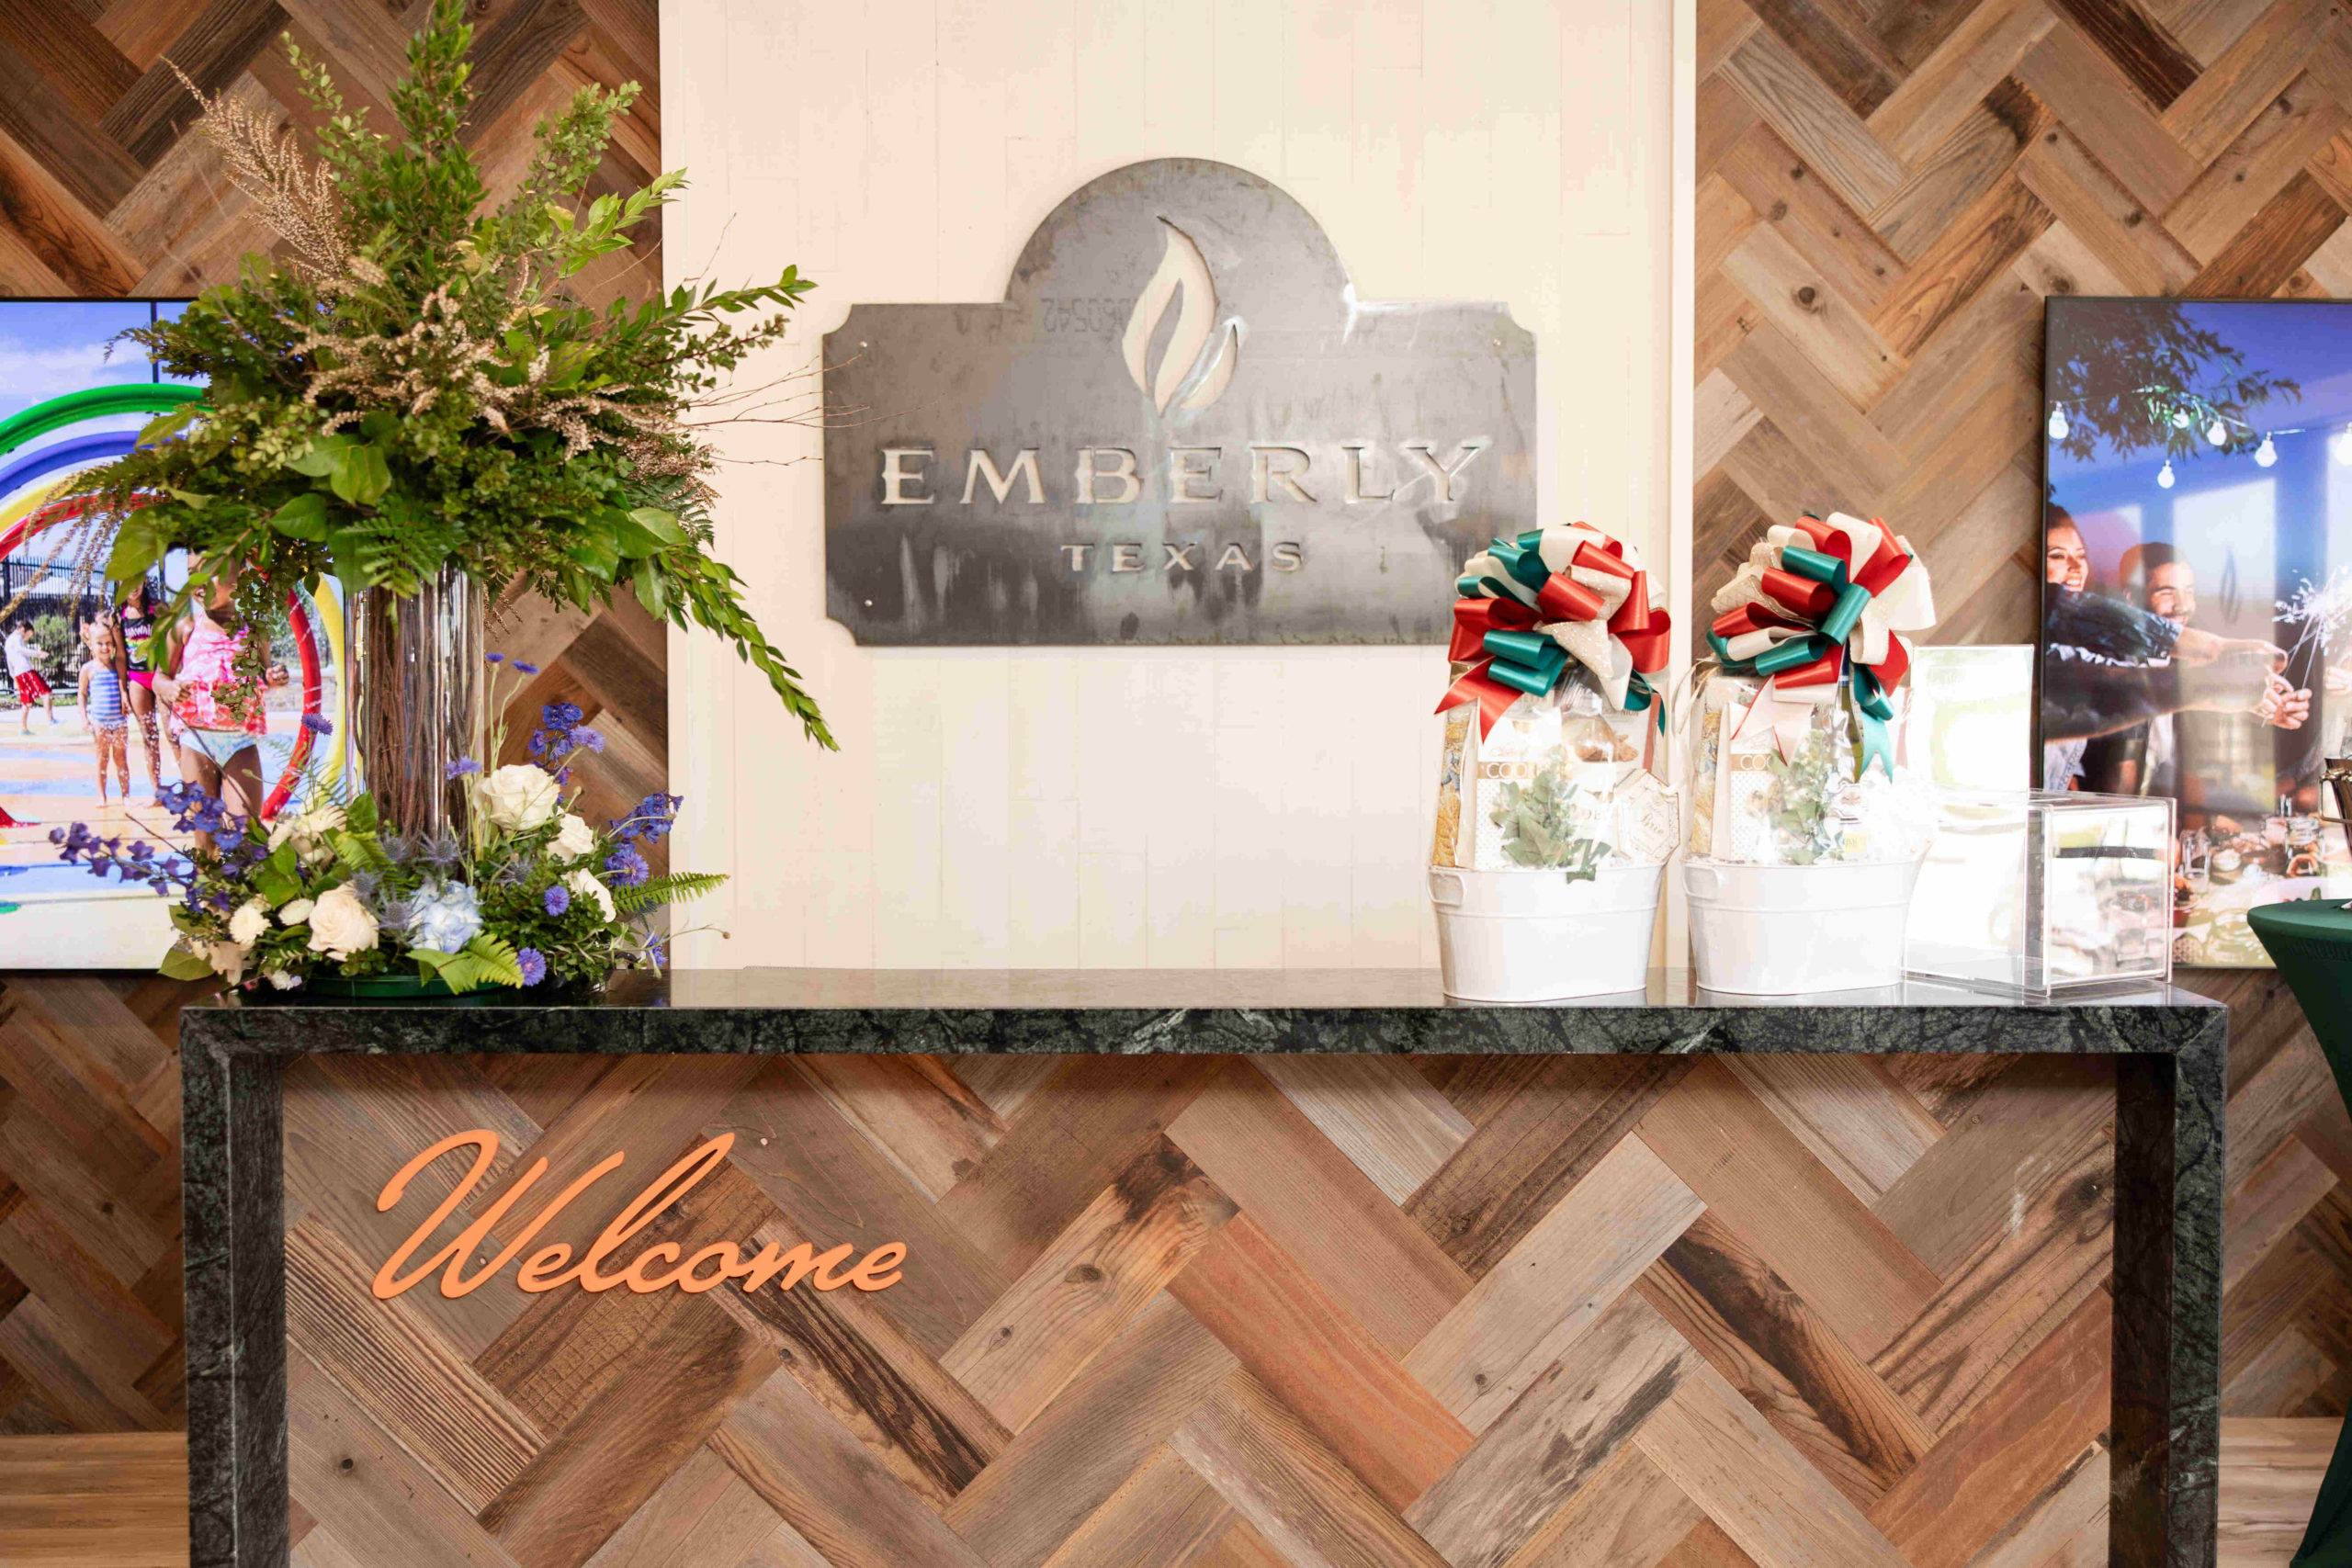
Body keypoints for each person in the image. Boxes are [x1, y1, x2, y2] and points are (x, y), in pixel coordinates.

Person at [153, 563, 288, 840]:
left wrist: (274, 676)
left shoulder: (254, 631)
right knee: (205, 834)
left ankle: (243, 880)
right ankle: (208, 880)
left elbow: (263, 676)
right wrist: (170, 687)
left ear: (239, 576)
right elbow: (159, 677)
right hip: (197, 743)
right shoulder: (185, 628)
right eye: (191, 572)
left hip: (240, 742)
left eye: (209, 570)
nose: (199, 581)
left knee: (248, 832)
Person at [116, 577, 172, 804]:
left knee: (173, 732)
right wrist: (122, 692)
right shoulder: (117, 617)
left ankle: (190, 789)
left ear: (145, 580)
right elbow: (120, 656)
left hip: (161, 673)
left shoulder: (158, 608)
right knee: (149, 736)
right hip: (137, 679)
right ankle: (157, 791)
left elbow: (173, 640)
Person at [77, 621, 130, 806]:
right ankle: (102, 795)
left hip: (119, 722)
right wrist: (84, 718)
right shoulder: (88, 669)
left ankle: (126, 795)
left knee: (121, 759)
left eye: (109, 642)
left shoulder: (118, 666)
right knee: (102, 759)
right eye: (99, 643)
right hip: (100, 723)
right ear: (90, 644)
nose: (105, 647)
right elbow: (82, 694)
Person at [5, 620, 56, 733]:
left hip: (19, 673)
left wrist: (13, 675)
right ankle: (51, 721)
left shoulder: (8, 641)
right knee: (46, 692)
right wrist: (38, 653)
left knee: (27, 702)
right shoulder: (17, 637)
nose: (27, 639)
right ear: (23, 630)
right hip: (26, 670)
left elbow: (9, 660)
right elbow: (20, 650)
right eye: (28, 635)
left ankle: (23, 729)